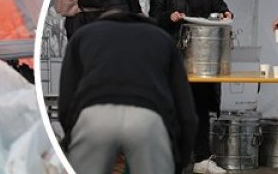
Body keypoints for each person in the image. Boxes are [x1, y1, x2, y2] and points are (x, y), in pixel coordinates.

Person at [59, 10, 198, 174]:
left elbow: (67, 100)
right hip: (148, 118)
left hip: (94, 117)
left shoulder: (83, 35)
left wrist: (70, 137)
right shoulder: (162, 38)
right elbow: (186, 112)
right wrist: (179, 158)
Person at [149, 0, 232, 174]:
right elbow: (153, 17)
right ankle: (170, 158)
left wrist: (225, 12)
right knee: (175, 106)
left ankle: (202, 159)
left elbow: (219, 3)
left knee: (201, 107)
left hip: (205, 53)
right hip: (175, 53)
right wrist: (168, 17)